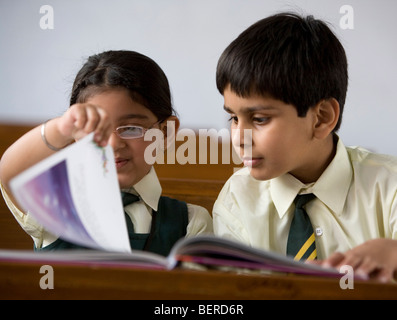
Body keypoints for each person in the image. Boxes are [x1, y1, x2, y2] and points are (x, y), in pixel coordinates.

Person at [213, 12, 397, 282]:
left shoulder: (390, 187)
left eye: (260, 119)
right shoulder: (237, 198)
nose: (240, 138)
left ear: (321, 118)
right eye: (233, 118)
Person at [0, 50, 212, 256]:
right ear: (75, 135)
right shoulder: (56, 204)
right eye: (96, 130)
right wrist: (60, 129)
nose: (113, 144)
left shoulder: (191, 223)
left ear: (165, 133)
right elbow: (10, 173)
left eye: (131, 128)